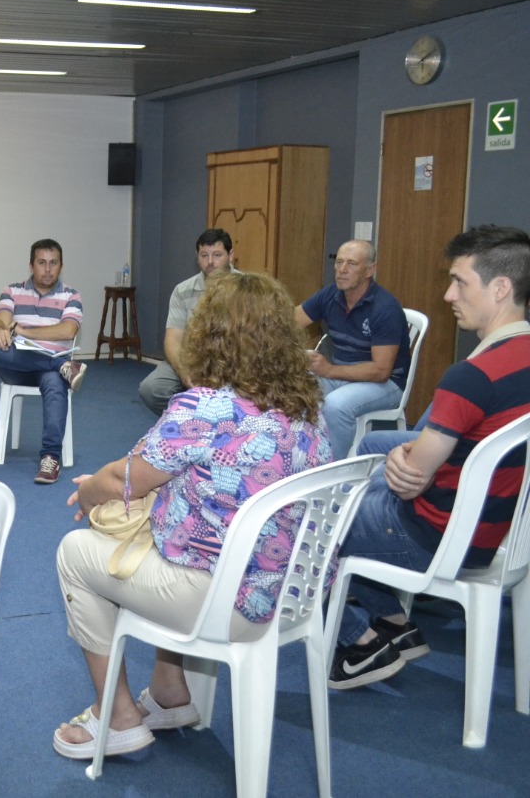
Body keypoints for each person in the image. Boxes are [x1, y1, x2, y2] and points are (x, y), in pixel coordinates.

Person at [53, 270, 331, 759]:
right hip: (290, 596)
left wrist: (92, 492)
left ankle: (116, 717)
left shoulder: (207, 408)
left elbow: (126, 479)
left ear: (211, 336)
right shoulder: (307, 407)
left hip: (226, 602)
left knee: (76, 553)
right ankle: (169, 691)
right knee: (177, 530)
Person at [328, 225, 530, 690]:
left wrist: (408, 460)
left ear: (501, 288)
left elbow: (410, 477)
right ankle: (394, 621)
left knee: (301, 520)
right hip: (498, 528)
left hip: (437, 538)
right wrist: (407, 457)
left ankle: (361, 645)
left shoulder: (471, 377)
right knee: (367, 470)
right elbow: (418, 463)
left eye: (460, 282)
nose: (448, 295)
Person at [0, 238, 86, 484]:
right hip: (17, 365)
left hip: (48, 370)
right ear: (31, 265)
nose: (47, 269)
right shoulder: (12, 290)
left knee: (54, 383)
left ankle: (50, 457)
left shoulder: (71, 295)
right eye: (41, 263)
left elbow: (68, 330)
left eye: (53, 263)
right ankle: (62, 367)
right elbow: (0, 319)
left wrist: (25, 332)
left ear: (61, 266)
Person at [295, 239, 410, 459]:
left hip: (385, 383)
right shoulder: (330, 295)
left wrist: (329, 370)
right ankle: (302, 458)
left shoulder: (385, 308)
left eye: (352, 264)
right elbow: (290, 322)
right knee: (293, 388)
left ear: (369, 271)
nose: (342, 270)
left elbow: (381, 371)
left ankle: (332, 469)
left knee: (336, 406)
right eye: (339, 262)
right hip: (341, 373)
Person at [138, 228, 235, 415]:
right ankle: (190, 420)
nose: (210, 262)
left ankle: (209, 419)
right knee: (152, 389)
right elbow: (173, 339)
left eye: (217, 255)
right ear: (197, 258)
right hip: (191, 357)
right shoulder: (182, 291)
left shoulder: (248, 289)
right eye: (204, 255)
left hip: (233, 360)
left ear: (230, 256)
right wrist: (183, 371)